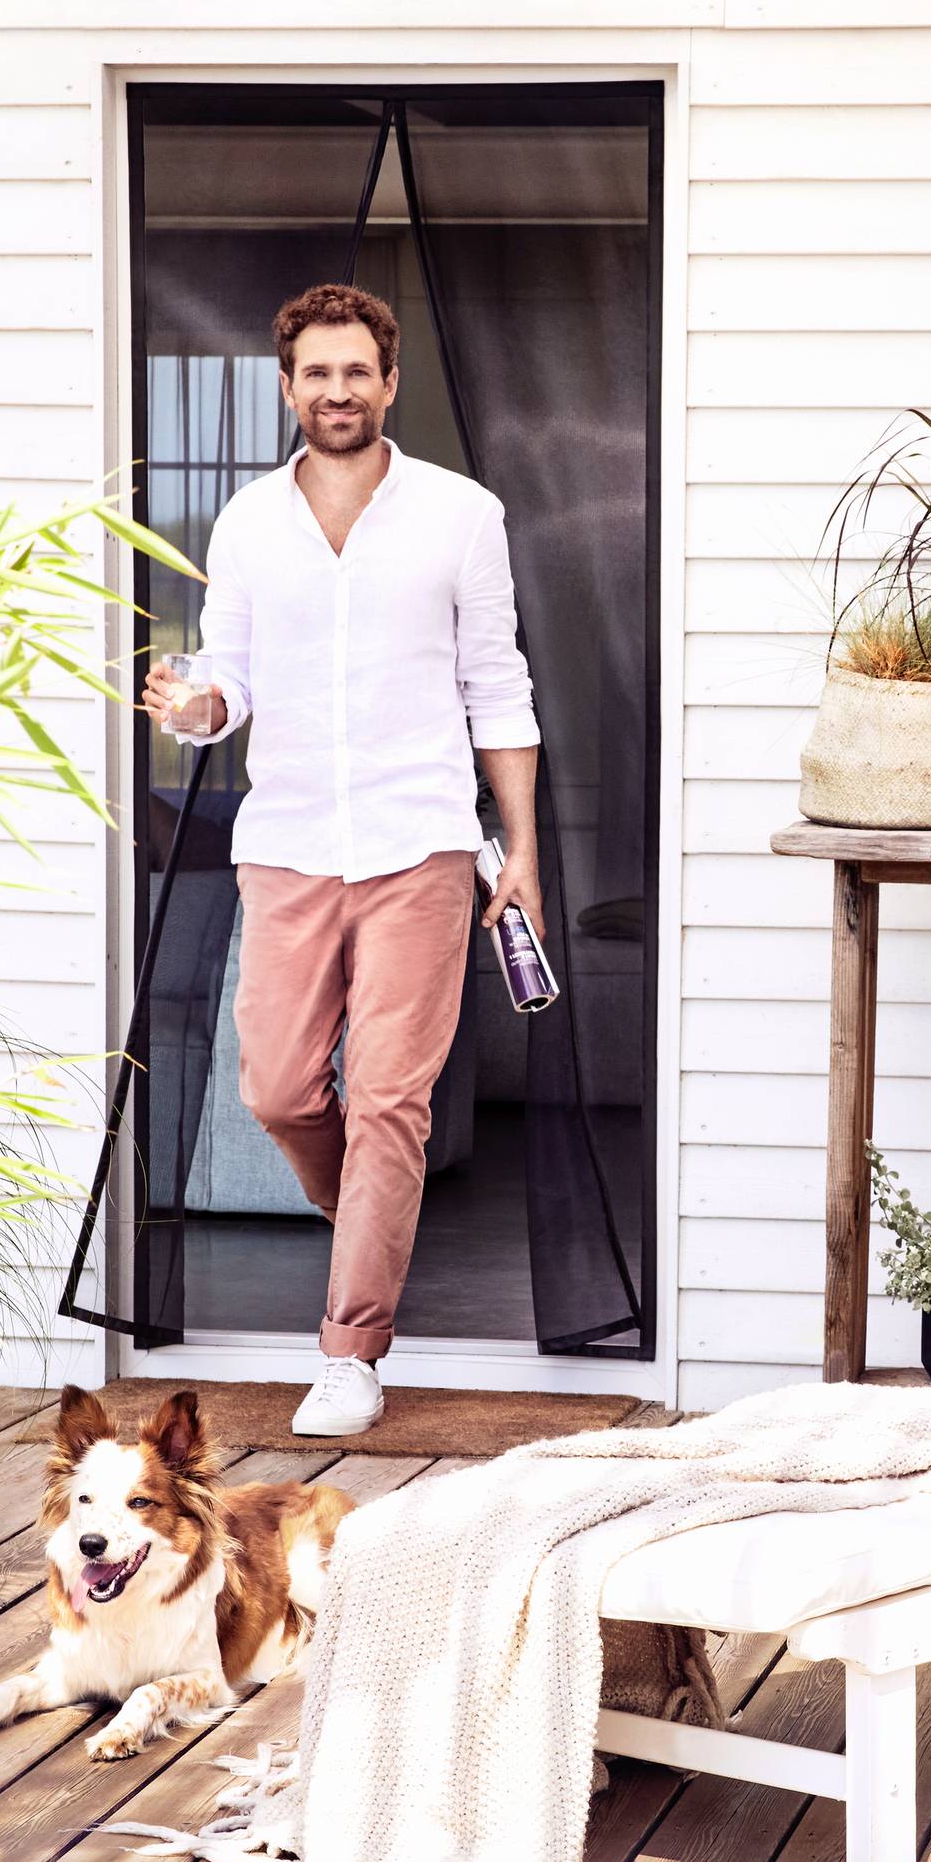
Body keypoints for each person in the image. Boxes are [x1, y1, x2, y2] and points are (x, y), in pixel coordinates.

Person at [141, 282, 543, 1436]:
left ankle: (352, 1345)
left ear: (389, 382)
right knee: (273, 1085)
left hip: (422, 844)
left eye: (356, 371)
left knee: (389, 1102)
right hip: (290, 847)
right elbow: (230, 683)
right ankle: (371, 1208)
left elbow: (498, 689)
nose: (337, 390)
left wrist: (521, 851)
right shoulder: (246, 523)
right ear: (288, 386)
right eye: (316, 373)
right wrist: (195, 703)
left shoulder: (462, 514)